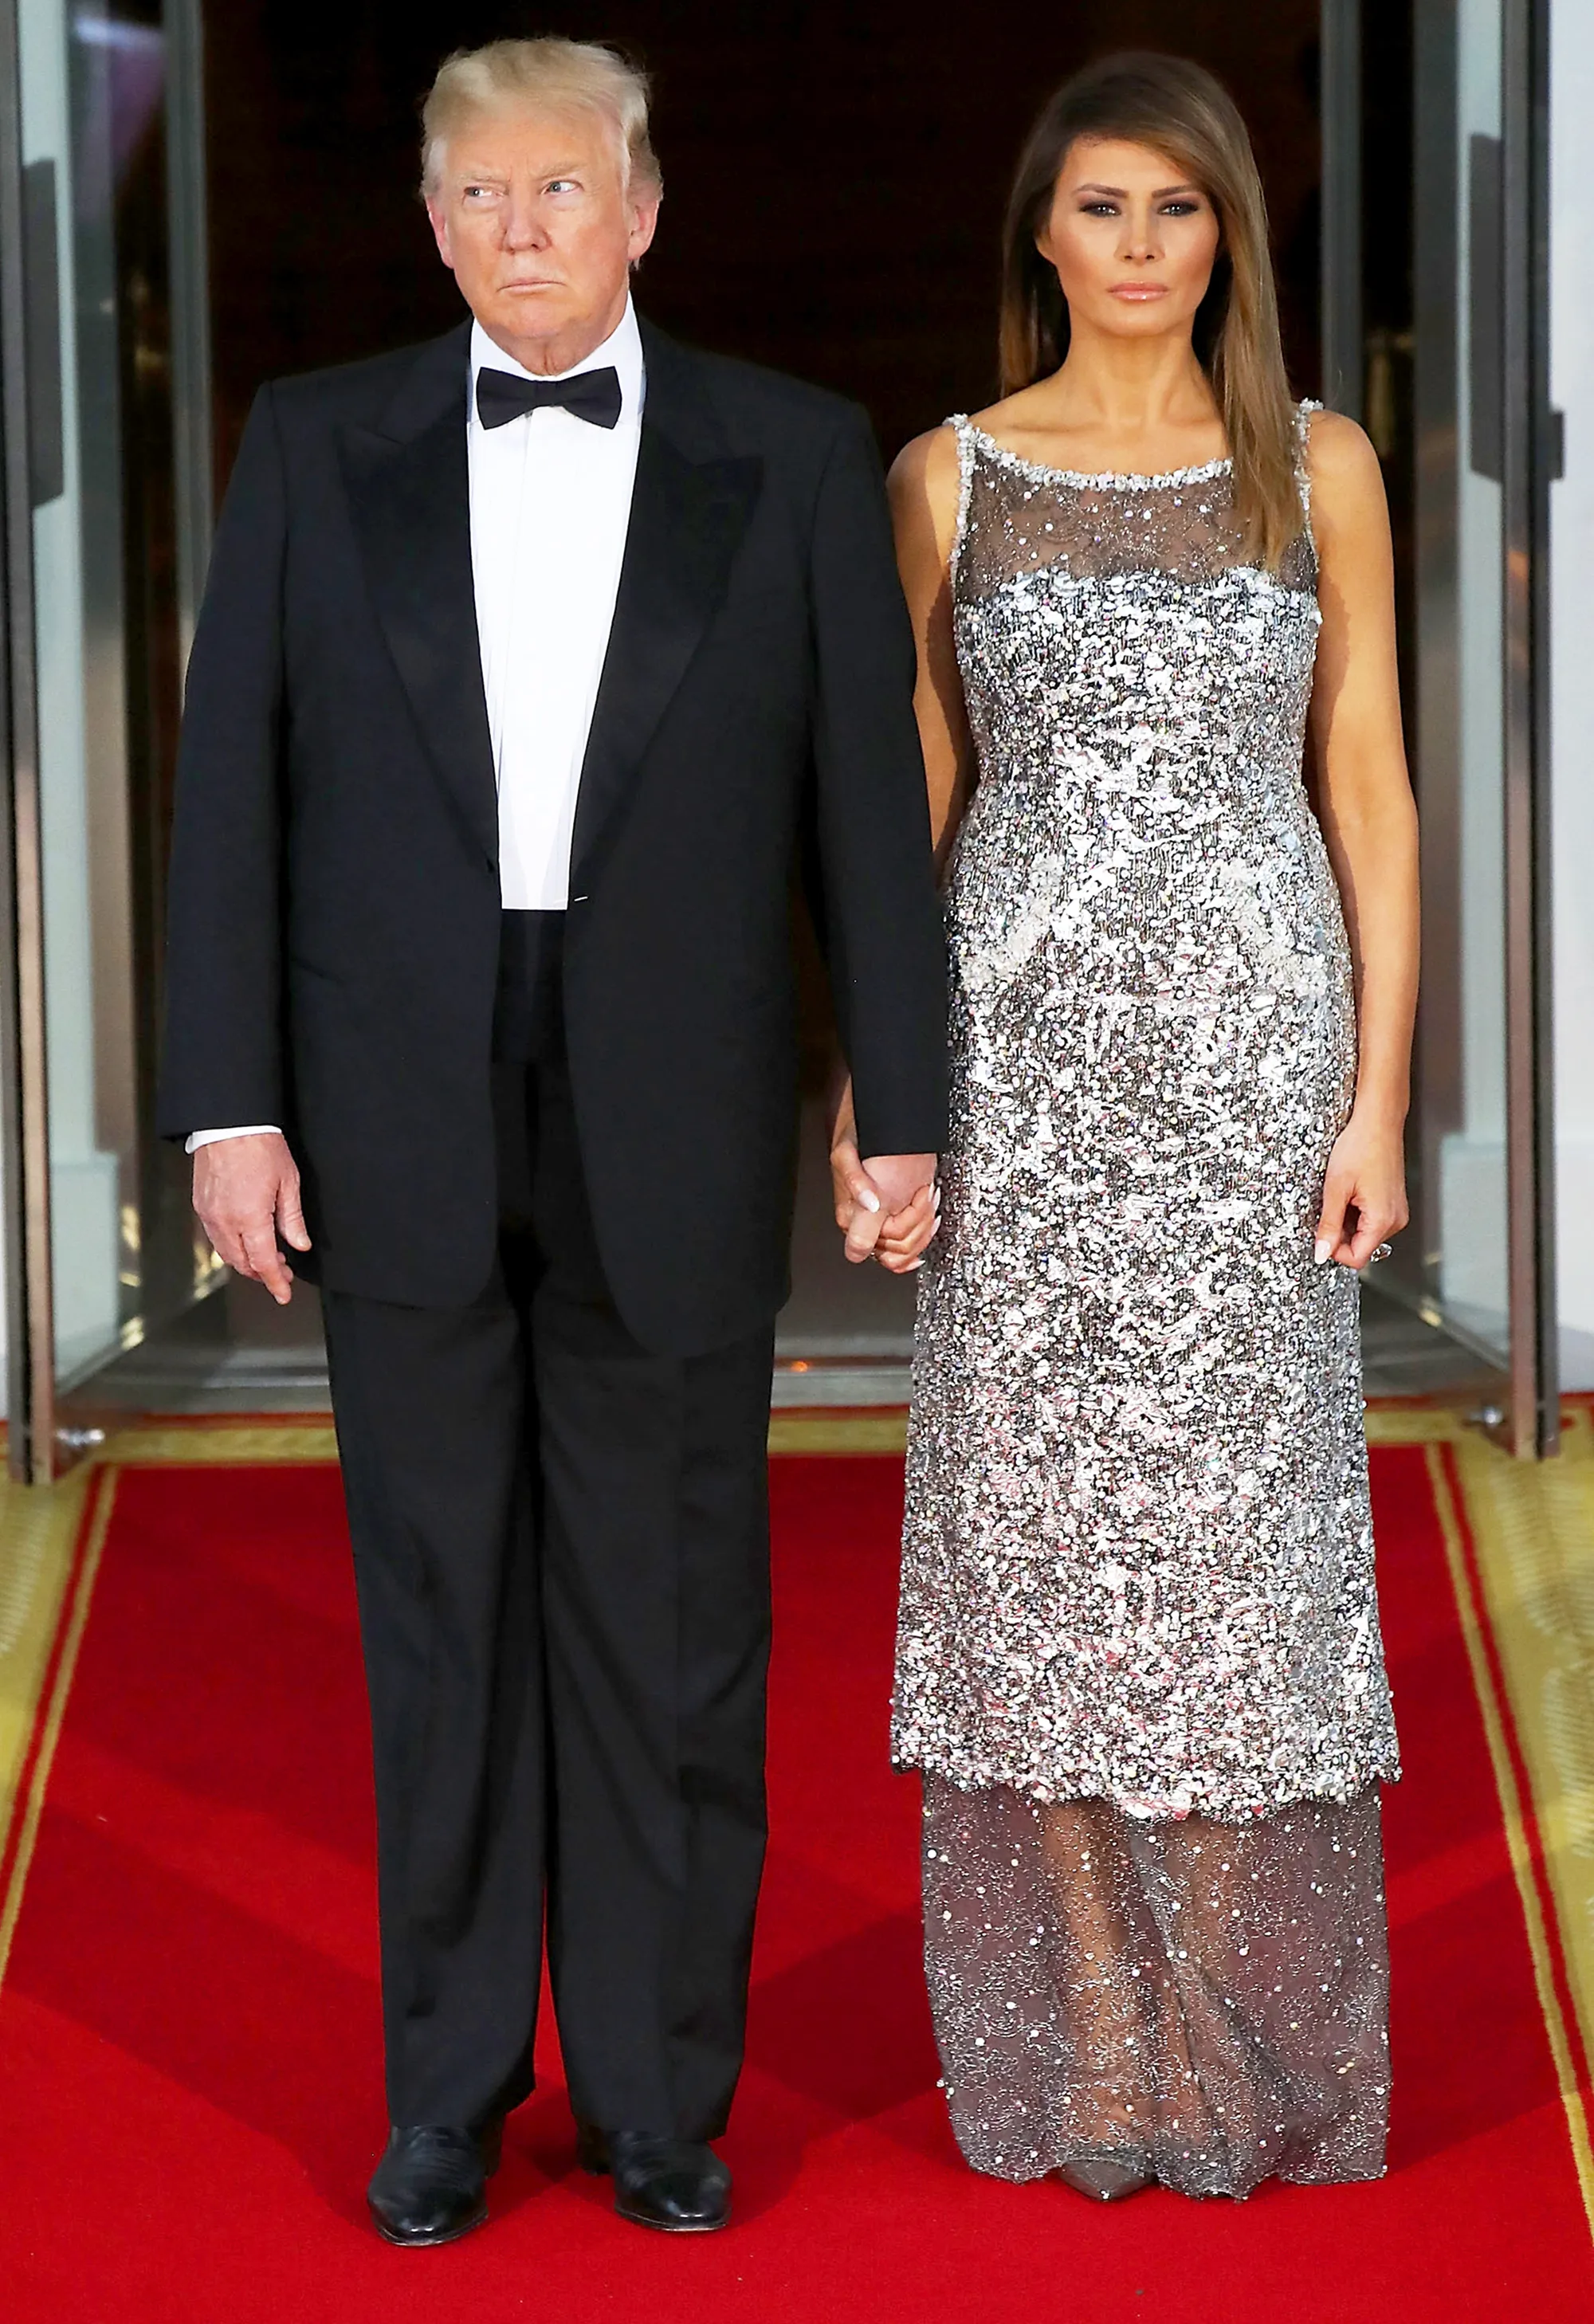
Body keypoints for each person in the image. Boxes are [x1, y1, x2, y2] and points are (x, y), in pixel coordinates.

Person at [159, 37, 945, 2246]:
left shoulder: (789, 459)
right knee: (437, 1624)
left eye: (563, 190)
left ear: (645, 206)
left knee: (677, 1624)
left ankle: (663, 2097)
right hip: (388, 1097)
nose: (522, 230)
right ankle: (446, 2093)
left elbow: (865, 824)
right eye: (481, 195)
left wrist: (909, 1104)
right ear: (431, 220)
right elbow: (237, 797)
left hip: (676, 1105)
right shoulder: (318, 446)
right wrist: (229, 1100)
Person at [837, 51, 1416, 2200]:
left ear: (1228, 238)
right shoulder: (944, 478)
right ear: (1043, 236)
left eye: (1180, 212)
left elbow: (1367, 785)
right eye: (1104, 210)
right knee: (1045, 1568)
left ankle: (1246, 2053)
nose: (1144, 251)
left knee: (1245, 1570)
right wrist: (879, 1094)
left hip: (1259, 1076)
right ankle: (1096, 2047)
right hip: (1026, 1072)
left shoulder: (1317, 465)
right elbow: (910, 805)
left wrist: (1383, 1092)